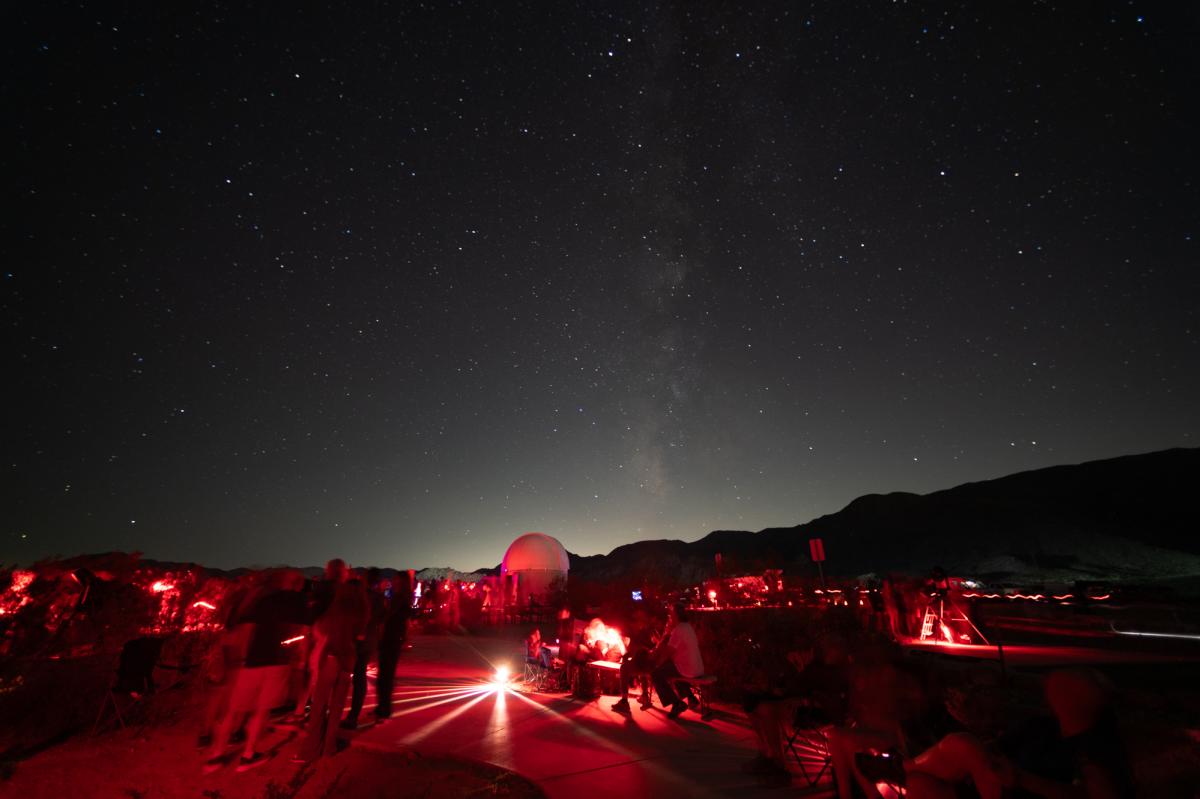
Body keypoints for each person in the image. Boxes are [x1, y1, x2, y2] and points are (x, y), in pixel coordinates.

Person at [856, 668, 1132, 799]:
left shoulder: (1095, 748)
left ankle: (899, 768)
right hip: (993, 783)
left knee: (959, 744)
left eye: (1061, 690)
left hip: (1017, 791)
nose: (1052, 695)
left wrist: (1021, 778)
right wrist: (976, 727)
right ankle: (903, 769)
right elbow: (996, 747)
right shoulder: (1042, 726)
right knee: (920, 783)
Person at [205, 569, 308, 773]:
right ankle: (248, 755)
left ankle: (215, 757)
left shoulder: (262, 599)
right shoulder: (297, 601)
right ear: (295, 584)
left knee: (234, 711)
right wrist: (300, 658)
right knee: (261, 711)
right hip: (278, 660)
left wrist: (241, 658)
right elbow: (303, 631)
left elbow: (247, 629)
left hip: (252, 660)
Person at [741, 634, 850, 783]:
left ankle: (779, 765)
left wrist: (801, 698)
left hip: (817, 713)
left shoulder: (837, 672)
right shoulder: (818, 667)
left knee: (767, 710)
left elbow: (832, 700)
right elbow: (800, 686)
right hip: (804, 704)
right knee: (753, 701)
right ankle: (766, 755)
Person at [296, 578, 368, 763]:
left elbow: (322, 630)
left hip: (330, 659)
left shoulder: (335, 610)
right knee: (337, 707)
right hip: (348, 660)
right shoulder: (362, 612)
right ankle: (329, 747)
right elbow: (360, 637)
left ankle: (311, 750)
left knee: (319, 705)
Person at [341, 569, 387, 730]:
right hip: (369, 641)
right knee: (359, 677)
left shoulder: (360, 595)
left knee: (347, 676)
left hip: (356, 640)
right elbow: (381, 620)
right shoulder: (379, 598)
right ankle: (353, 715)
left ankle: (340, 714)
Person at [650, 603, 705, 719]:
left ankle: (676, 703)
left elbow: (668, 652)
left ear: (677, 616)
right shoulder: (687, 627)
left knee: (656, 673)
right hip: (697, 667)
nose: (670, 617)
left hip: (688, 668)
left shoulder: (678, 630)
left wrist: (657, 664)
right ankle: (691, 698)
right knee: (672, 670)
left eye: (671, 615)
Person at [373, 571, 411, 719]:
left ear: (400, 582)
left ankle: (384, 708)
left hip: (391, 638)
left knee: (385, 675)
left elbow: (386, 616)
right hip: (394, 638)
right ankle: (383, 706)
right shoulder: (403, 597)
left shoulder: (399, 598)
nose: (392, 582)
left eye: (395, 579)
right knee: (386, 674)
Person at [610, 607, 661, 714]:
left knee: (624, 668)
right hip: (651, 663)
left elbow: (635, 649)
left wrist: (626, 656)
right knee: (638, 662)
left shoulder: (643, 632)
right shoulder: (651, 630)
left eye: (637, 617)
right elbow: (657, 645)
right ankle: (645, 696)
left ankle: (624, 701)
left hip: (646, 663)